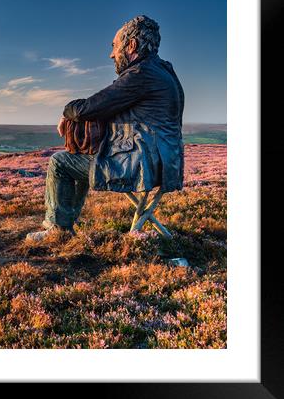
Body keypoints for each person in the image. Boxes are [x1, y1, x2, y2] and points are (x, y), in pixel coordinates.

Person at [26, 15, 185, 241]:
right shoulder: (164, 72)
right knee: (81, 156)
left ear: (131, 45)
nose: (112, 54)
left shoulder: (140, 74)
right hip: (167, 166)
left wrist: (66, 111)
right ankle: (64, 225)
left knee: (60, 162)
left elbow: (88, 108)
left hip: (141, 168)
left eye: (114, 46)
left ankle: (58, 229)